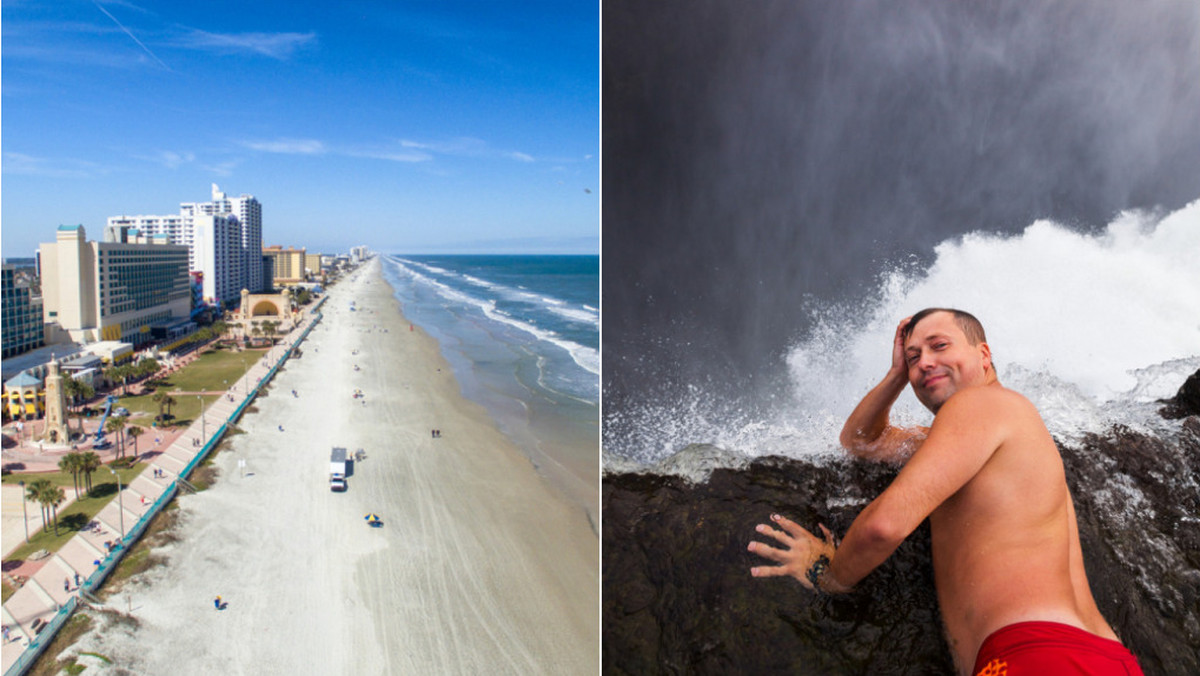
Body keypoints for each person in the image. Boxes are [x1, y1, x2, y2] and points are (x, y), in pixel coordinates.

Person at [748, 308, 1143, 675]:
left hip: (1030, 654)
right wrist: (894, 377)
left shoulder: (978, 404)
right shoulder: (989, 429)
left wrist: (827, 575)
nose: (924, 363)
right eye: (913, 356)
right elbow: (861, 441)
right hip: (1108, 658)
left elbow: (883, 526)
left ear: (984, 354)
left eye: (939, 346)